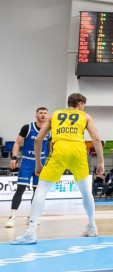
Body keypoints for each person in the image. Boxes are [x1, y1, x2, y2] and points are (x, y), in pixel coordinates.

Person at [11, 93, 104, 244]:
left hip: (59, 151)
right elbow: (96, 138)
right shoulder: (85, 116)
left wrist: (38, 164)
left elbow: (38, 140)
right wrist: (101, 162)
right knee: (86, 191)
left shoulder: (54, 115)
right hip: (78, 152)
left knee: (41, 189)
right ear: (80, 104)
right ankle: (92, 226)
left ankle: (31, 232)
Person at [5, 107, 50, 228]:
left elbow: (51, 148)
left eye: (45, 113)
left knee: (37, 191)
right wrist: (14, 158)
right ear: (36, 115)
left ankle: (33, 217)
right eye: (40, 113)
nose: (43, 115)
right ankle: (12, 217)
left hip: (41, 162)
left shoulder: (50, 130)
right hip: (27, 162)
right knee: (20, 189)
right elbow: (17, 143)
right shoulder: (27, 127)